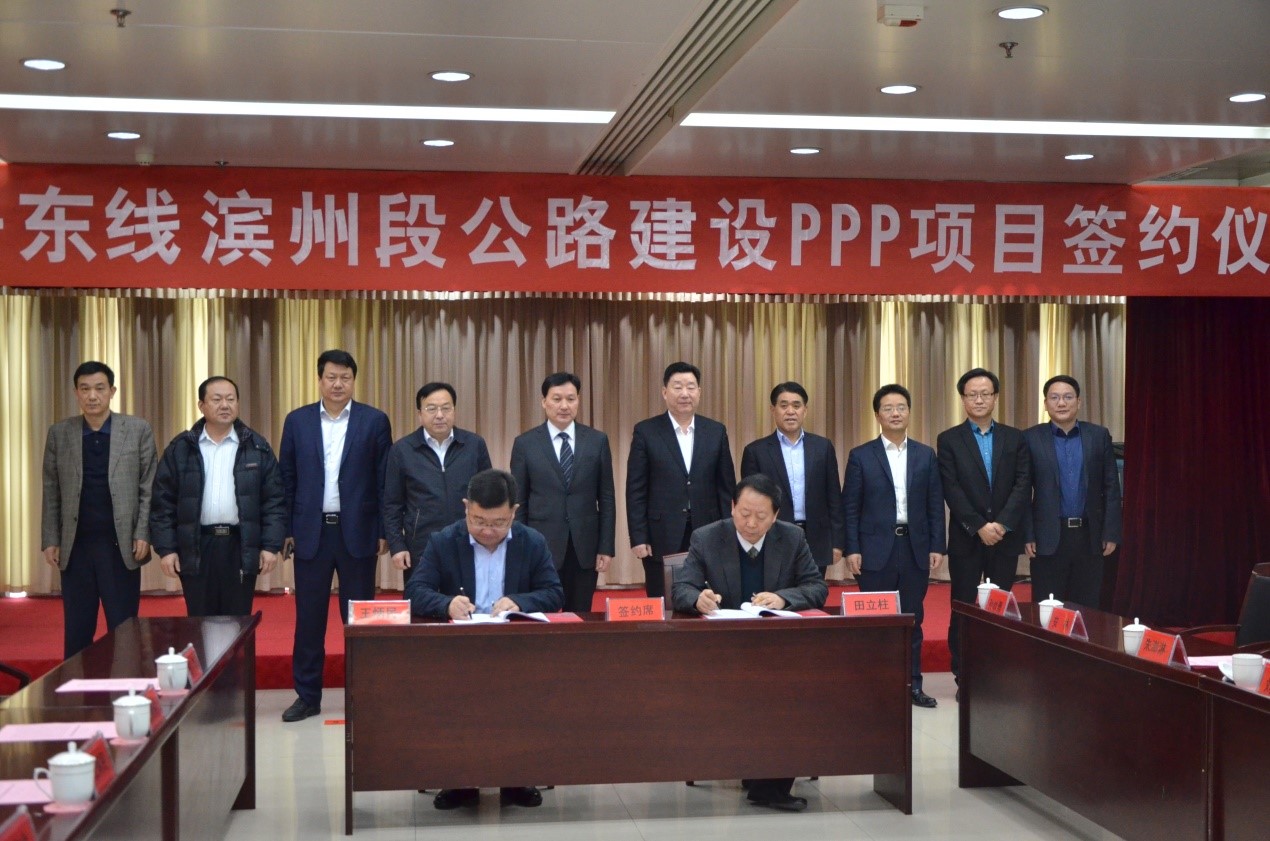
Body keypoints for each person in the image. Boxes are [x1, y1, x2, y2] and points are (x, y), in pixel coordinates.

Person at [404, 469, 563, 811]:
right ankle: (459, 780)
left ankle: (516, 778)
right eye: (478, 521)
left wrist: (520, 601)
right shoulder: (444, 541)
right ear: (466, 507)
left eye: (498, 523)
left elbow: (553, 593)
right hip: (459, 650)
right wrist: (446, 603)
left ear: (514, 512)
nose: (488, 531)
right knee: (455, 696)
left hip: (515, 649)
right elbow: (415, 591)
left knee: (522, 694)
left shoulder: (532, 541)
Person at [672, 473, 827, 812]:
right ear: (732, 507)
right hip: (723, 652)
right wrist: (698, 598)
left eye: (761, 516)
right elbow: (681, 588)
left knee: (791, 689)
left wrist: (784, 598)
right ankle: (762, 779)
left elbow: (817, 587)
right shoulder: (707, 537)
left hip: (777, 651)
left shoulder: (793, 537)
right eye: (744, 514)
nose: (751, 524)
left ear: (775, 515)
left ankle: (766, 782)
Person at [278, 350, 392, 722]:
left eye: (345, 377)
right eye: (331, 377)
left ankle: (365, 694)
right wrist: (287, 530)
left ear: (354, 380)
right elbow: (286, 479)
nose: (338, 384)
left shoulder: (374, 421)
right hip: (311, 532)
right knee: (309, 619)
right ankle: (307, 696)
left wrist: (382, 531)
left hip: (357, 532)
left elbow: (383, 480)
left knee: (360, 619)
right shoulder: (297, 421)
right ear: (319, 379)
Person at [41, 361, 158, 658]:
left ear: (112, 391)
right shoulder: (60, 433)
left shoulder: (137, 429)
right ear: (76, 393)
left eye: (99, 388)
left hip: (120, 546)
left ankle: (125, 685)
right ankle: (76, 686)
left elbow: (148, 486)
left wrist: (143, 532)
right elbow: (51, 489)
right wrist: (51, 538)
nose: (92, 396)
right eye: (85, 389)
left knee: (124, 628)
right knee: (77, 631)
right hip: (76, 547)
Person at [842, 384, 946, 708]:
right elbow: (850, 507)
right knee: (877, 621)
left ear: (909, 412)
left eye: (901, 407)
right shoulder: (861, 456)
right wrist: (852, 548)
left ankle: (912, 685)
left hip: (914, 548)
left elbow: (934, 503)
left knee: (913, 618)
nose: (895, 413)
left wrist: (937, 546)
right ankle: (875, 687)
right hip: (874, 551)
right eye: (888, 408)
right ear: (877, 415)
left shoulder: (925, 455)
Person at [150, 376, 286, 616]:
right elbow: (163, 503)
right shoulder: (181, 448)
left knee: (238, 620)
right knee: (199, 621)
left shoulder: (257, 447)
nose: (225, 405)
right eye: (217, 399)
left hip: (240, 545)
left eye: (230, 399)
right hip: (196, 545)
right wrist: (167, 549)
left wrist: (270, 546)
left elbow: (274, 500)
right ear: (201, 405)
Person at [937, 367, 1031, 683]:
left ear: (995, 397)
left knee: (1000, 607)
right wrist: (979, 525)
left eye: (985, 394)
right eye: (972, 394)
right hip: (967, 537)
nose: (979, 399)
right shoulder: (949, 439)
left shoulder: (1015, 438)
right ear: (963, 399)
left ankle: (995, 673)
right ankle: (963, 673)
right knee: (962, 605)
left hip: (1004, 537)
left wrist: (1002, 524)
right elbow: (951, 487)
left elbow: (1023, 484)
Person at [626, 361, 736, 598]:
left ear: (699, 392)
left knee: (708, 598)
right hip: (660, 533)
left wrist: (729, 531)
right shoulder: (646, 431)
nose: (685, 393)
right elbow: (636, 489)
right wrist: (638, 536)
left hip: (708, 530)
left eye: (690, 387)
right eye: (677, 387)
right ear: (665, 392)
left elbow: (726, 488)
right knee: (662, 598)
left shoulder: (715, 431)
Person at [510, 372, 616, 613]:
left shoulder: (597, 440)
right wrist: (520, 545)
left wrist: (606, 546)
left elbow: (606, 498)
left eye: (570, 399)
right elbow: (519, 501)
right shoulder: (525, 444)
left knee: (580, 615)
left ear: (578, 401)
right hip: (540, 544)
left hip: (584, 546)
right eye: (557, 399)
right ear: (544, 402)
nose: (564, 406)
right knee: (540, 614)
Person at [1024, 375, 1122, 607]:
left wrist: (1110, 532)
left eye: (1068, 397)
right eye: (1054, 397)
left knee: (1086, 607)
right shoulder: (1030, 438)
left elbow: (1111, 487)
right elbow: (1023, 491)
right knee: (1047, 607)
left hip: (1090, 535)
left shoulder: (1098, 435)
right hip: (1048, 536)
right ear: (1045, 403)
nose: (1061, 403)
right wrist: (1028, 535)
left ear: (1078, 402)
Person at [382, 382, 491, 589]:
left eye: (446, 408)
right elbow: (392, 504)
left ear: (454, 410)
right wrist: (397, 546)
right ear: (420, 414)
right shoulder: (402, 450)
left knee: (466, 602)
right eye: (431, 409)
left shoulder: (474, 445)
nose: (439, 415)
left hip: (468, 540)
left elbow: (487, 496)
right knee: (422, 600)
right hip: (420, 544)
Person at [740, 381, 844, 576]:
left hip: (817, 537)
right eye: (784, 405)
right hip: (772, 537)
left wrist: (837, 542)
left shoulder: (822, 447)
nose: (790, 411)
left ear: (805, 410)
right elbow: (751, 503)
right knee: (776, 592)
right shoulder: (756, 452)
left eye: (796, 405)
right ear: (773, 410)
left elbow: (834, 497)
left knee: (813, 591)